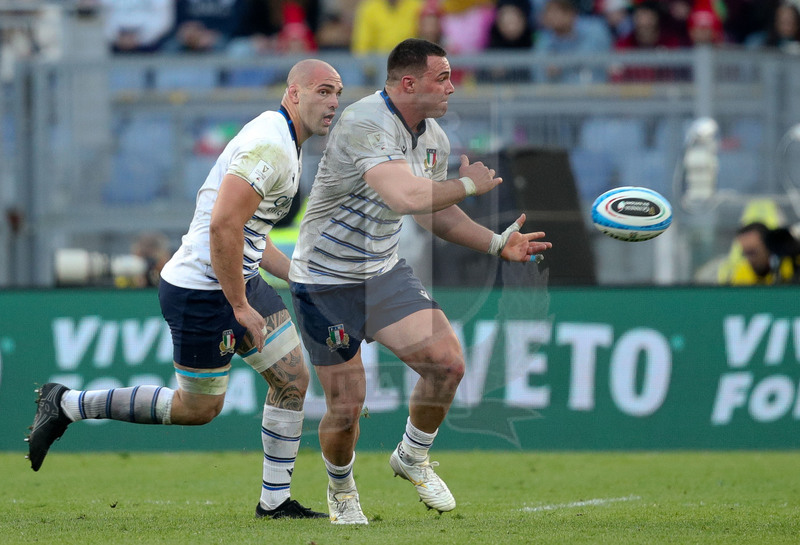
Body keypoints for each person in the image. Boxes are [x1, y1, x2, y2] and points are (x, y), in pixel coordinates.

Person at [26, 59, 344, 520]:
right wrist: (239, 304)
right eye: (322, 91)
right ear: (293, 94)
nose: (333, 102)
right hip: (202, 289)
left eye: (337, 92)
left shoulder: (286, 141)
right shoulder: (271, 146)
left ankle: (274, 502)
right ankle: (67, 404)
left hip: (238, 276)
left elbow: (249, 230)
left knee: (292, 379)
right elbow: (223, 227)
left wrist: (295, 276)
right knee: (197, 409)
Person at [287, 38, 552, 524]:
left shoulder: (433, 138)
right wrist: (471, 183)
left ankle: (412, 455)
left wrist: (497, 243)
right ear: (409, 83)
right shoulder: (366, 120)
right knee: (347, 407)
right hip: (326, 282)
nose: (453, 86)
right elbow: (408, 196)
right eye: (443, 77)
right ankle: (342, 488)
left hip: (382, 272)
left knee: (447, 364)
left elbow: (434, 213)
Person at [730, 222, 800, 284]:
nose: (749, 259)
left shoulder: (791, 264)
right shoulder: (742, 273)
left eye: (752, 252)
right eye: (745, 253)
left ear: (769, 246)